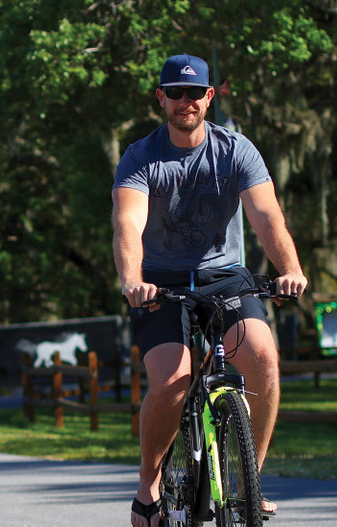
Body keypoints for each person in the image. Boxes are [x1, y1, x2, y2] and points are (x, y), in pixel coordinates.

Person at [113, 53, 308, 527]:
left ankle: (247, 483)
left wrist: (290, 268)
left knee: (262, 356)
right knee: (174, 380)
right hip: (160, 281)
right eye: (174, 93)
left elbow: (266, 215)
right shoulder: (141, 157)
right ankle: (148, 486)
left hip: (225, 275)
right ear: (161, 98)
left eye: (194, 93)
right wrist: (133, 282)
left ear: (209, 97)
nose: (185, 102)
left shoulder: (236, 149)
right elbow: (128, 223)